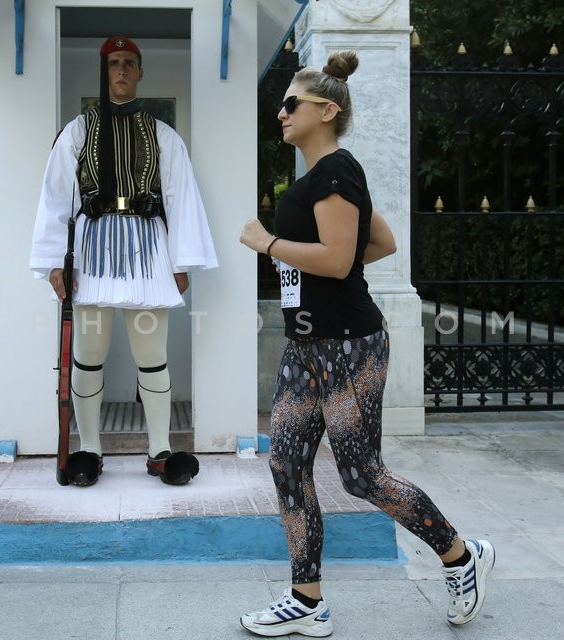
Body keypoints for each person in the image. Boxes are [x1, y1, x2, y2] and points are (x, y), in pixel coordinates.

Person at [238, 50, 494, 637]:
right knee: (286, 463)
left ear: (327, 111)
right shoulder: (319, 177)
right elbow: (377, 244)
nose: (281, 113)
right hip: (306, 345)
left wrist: (269, 243)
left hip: (349, 345)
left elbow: (337, 258)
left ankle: (461, 556)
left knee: (362, 475)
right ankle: (306, 600)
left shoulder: (337, 172)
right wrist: (313, 260)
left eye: (291, 103)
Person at [29, 36, 217, 487]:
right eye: (113, 63)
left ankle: (160, 450)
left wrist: (182, 262)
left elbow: (181, 197)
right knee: (88, 355)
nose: (121, 70)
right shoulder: (77, 131)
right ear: (102, 71)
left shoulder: (163, 135)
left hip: (148, 251)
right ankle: (90, 450)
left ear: (140, 72)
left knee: (152, 356)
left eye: (129, 63)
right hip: (91, 252)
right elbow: (56, 197)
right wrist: (54, 262)